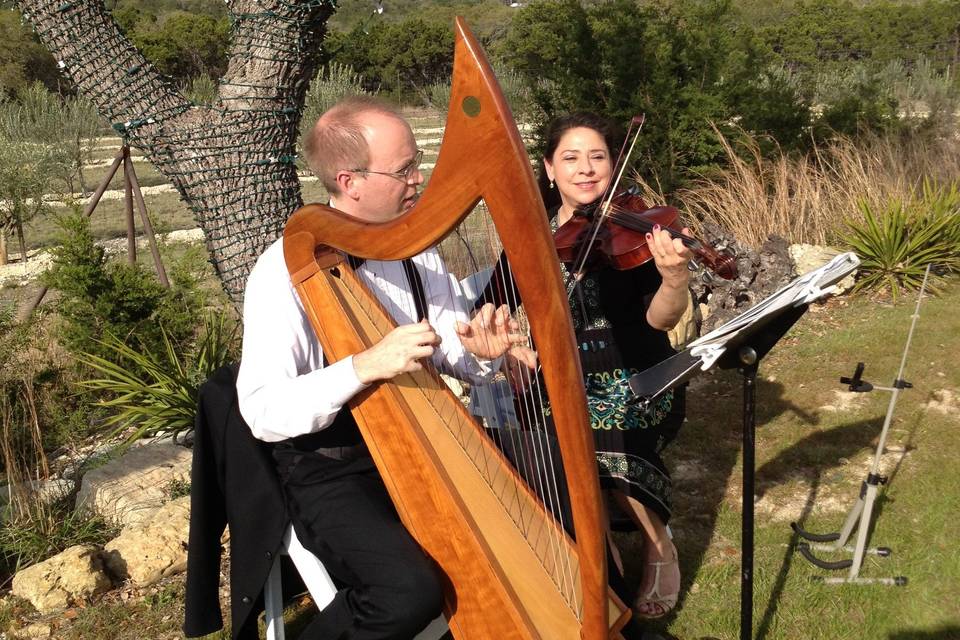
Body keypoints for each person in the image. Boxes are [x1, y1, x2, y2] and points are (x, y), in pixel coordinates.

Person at [236, 95, 523, 640]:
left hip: (427, 442)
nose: (419, 180)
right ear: (350, 180)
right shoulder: (282, 273)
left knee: (530, 510)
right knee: (405, 593)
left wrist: (484, 358)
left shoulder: (418, 251)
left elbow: (448, 352)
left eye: (418, 162)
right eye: (405, 169)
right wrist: (362, 366)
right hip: (331, 467)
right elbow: (262, 411)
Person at [499, 112, 694, 620]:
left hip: (638, 375)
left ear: (613, 164)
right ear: (548, 168)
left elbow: (658, 321)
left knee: (597, 432)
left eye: (597, 157)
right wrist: (505, 347)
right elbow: (492, 303)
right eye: (571, 157)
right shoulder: (532, 236)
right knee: (550, 439)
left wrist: (674, 282)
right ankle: (598, 567)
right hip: (560, 376)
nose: (585, 169)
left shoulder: (638, 231)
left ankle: (658, 544)